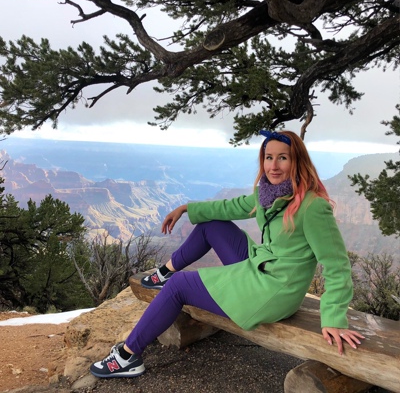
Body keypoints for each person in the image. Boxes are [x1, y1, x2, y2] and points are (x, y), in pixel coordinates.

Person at [90, 130, 365, 379]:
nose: (273, 166)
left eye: (283, 158)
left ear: (297, 161)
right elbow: (229, 207)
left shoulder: (313, 207)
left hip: (275, 289)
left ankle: (126, 357)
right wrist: (187, 208)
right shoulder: (268, 194)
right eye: (269, 157)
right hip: (260, 266)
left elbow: (337, 264)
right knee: (211, 224)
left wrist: (333, 319)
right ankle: (164, 272)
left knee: (179, 286)